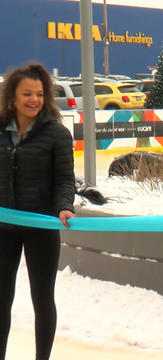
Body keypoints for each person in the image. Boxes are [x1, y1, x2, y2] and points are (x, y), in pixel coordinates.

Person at [0, 63, 76, 359]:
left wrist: (64, 207)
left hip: (41, 226)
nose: (34, 100)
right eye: (27, 94)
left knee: (42, 299)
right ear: (12, 96)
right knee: (1, 300)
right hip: (3, 227)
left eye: (40, 94)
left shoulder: (56, 134)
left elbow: (65, 179)